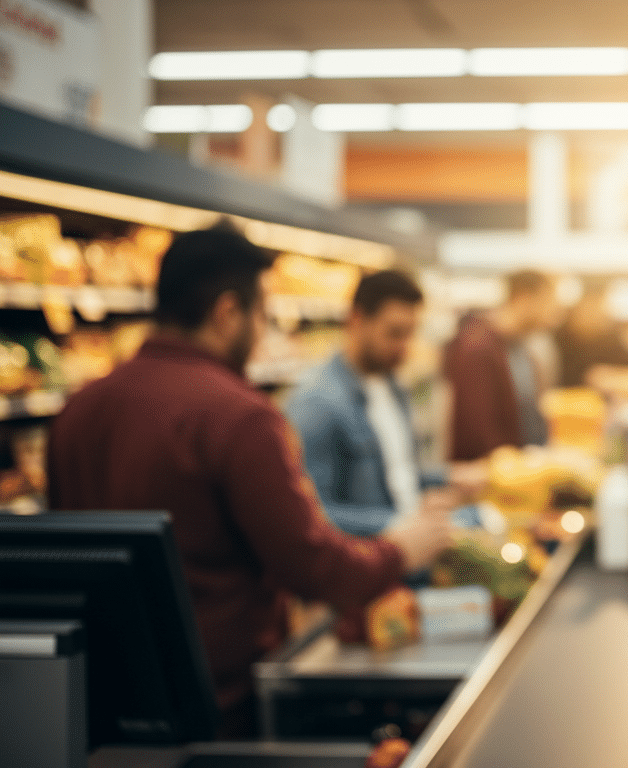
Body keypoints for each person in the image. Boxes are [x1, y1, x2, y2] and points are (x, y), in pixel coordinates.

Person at [46, 226, 454, 738]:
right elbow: (311, 565)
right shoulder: (240, 417)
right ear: (227, 313)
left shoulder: (77, 413)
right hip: (220, 705)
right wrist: (400, 549)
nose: (263, 333)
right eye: (262, 314)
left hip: (102, 704)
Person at [285, 269, 477, 536]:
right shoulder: (316, 404)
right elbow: (313, 514)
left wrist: (451, 477)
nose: (405, 347)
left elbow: (398, 472)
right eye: (395, 333)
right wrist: (403, 524)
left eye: (411, 333)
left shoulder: (393, 386)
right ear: (357, 319)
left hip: (413, 542)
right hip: (375, 559)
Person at [443, 269, 561, 461]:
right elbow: (477, 433)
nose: (553, 312)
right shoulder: (478, 349)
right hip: (494, 479)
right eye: (549, 302)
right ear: (524, 299)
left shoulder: (520, 347)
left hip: (521, 471)